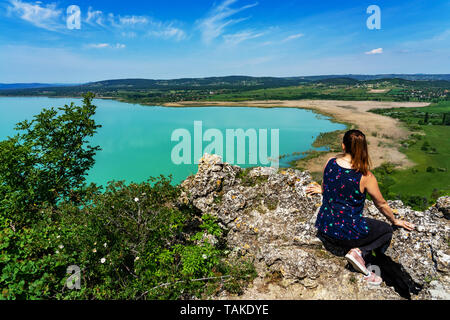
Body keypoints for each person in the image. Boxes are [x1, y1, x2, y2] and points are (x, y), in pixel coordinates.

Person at [306, 129, 415, 287]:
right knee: (386, 230)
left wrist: (322, 190)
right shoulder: (365, 176)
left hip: (325, 227)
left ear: (343, 146)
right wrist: (394, 220)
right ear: (363, 148)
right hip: (346, 234)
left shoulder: (330, 162)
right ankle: (360, 252)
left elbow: (327, 185)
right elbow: (381, 203)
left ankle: (362, 257)